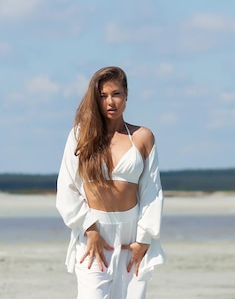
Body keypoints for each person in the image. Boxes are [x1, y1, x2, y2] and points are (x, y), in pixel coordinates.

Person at [56, 66, 165, 299]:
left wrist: (144, 239)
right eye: (103, 96)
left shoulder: (143, 137)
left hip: (132, 235)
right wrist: (90, 229)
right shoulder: (81, 136)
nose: (110, 102)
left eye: (115, 94)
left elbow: (151, 192)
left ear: (126, 95)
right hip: (94, 232)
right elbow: (67, 187)